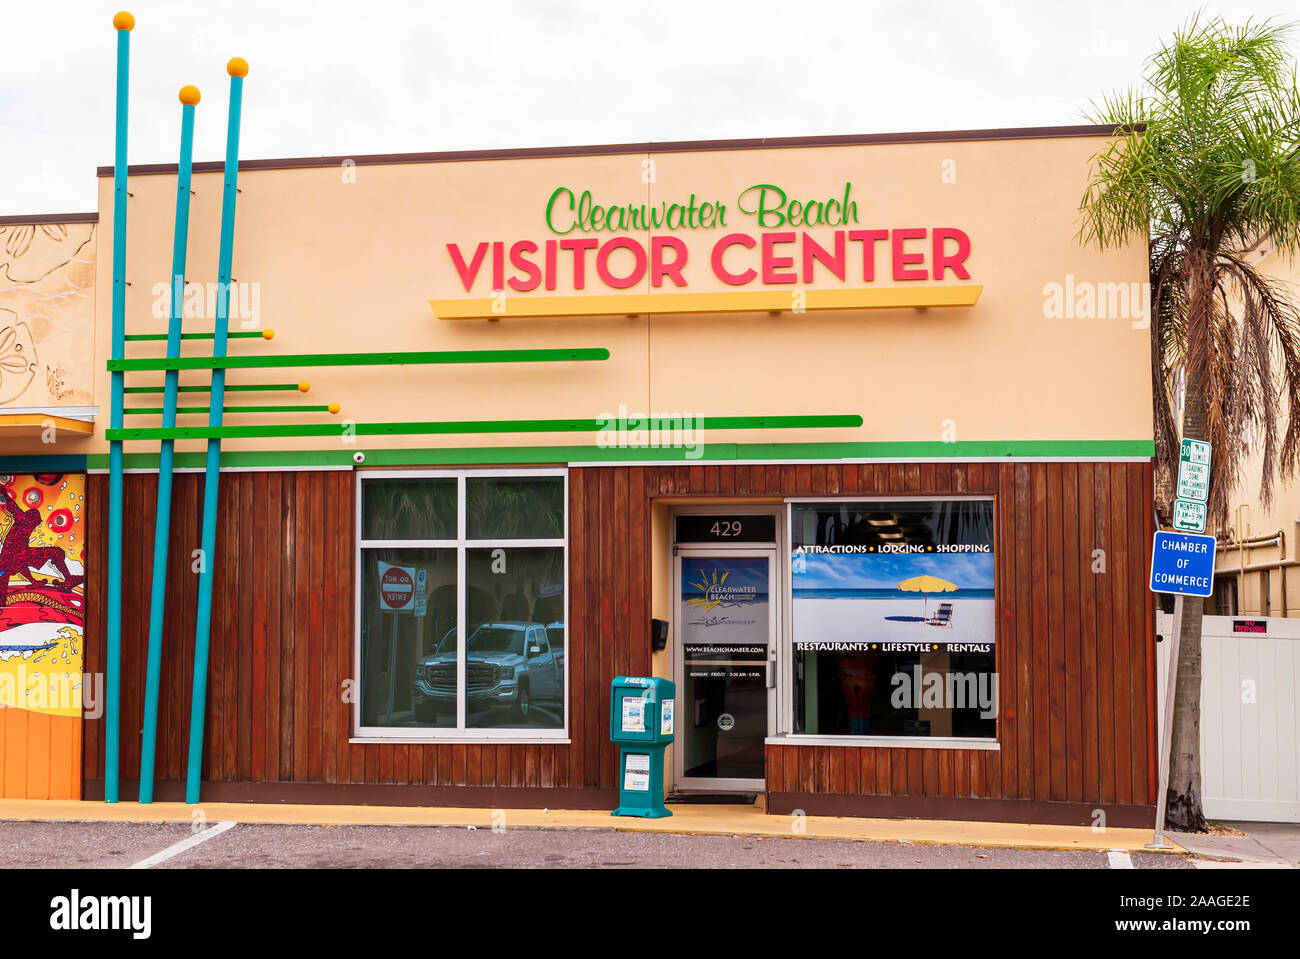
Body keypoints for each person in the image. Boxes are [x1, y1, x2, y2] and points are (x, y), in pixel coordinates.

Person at [0, 486, 82, 604]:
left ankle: (68, 579)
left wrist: (33, 581)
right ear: (33, 519)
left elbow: (20, 562)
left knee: (51, 552)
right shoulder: (24, 521)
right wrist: (5, 494)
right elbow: (14, 508)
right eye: (36, 523)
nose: (35, 526)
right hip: (9, 560)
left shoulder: (23, 531)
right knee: (55, 552)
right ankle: (69, 578)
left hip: (13, 558)